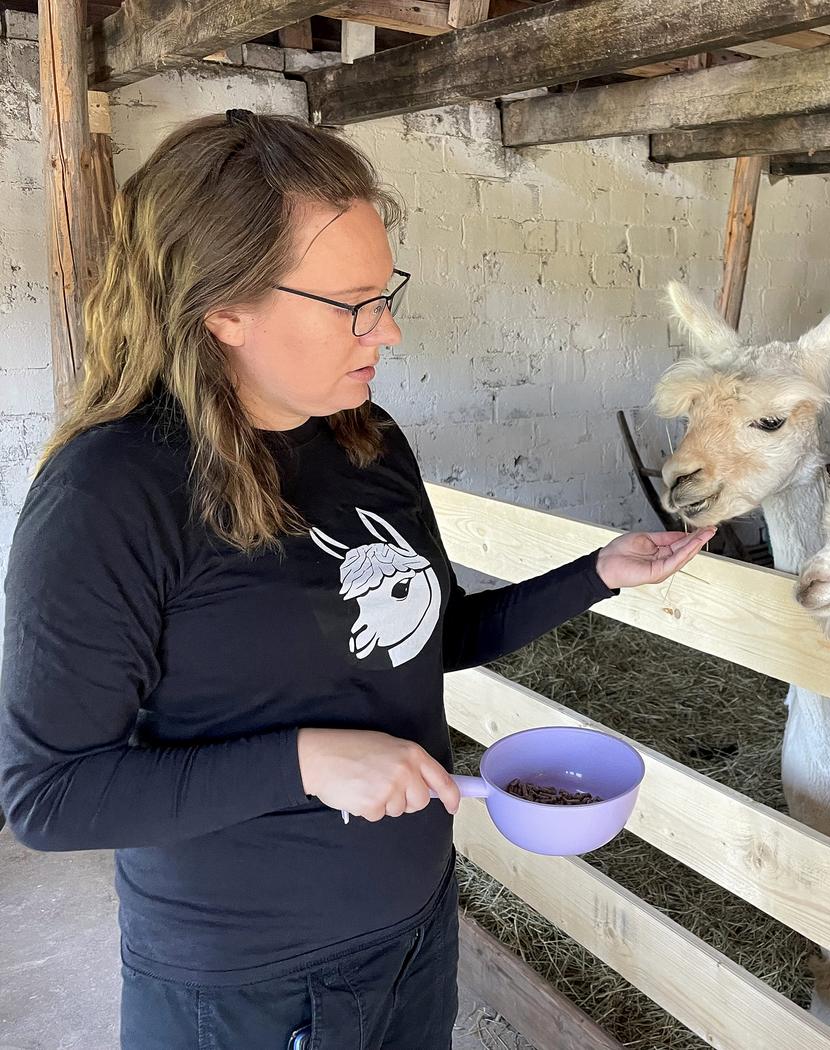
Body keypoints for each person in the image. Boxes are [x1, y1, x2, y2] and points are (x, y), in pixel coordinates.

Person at [0, 110, 713, 1050]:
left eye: (386, 293)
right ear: (226, 308)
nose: (392, 329)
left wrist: (597, 575)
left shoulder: (368, 441)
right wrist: (303, 759)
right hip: (246, 988)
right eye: (354, 303)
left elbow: (435, 635)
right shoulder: (111, 491)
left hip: (415, 930)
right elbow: (48, 797)